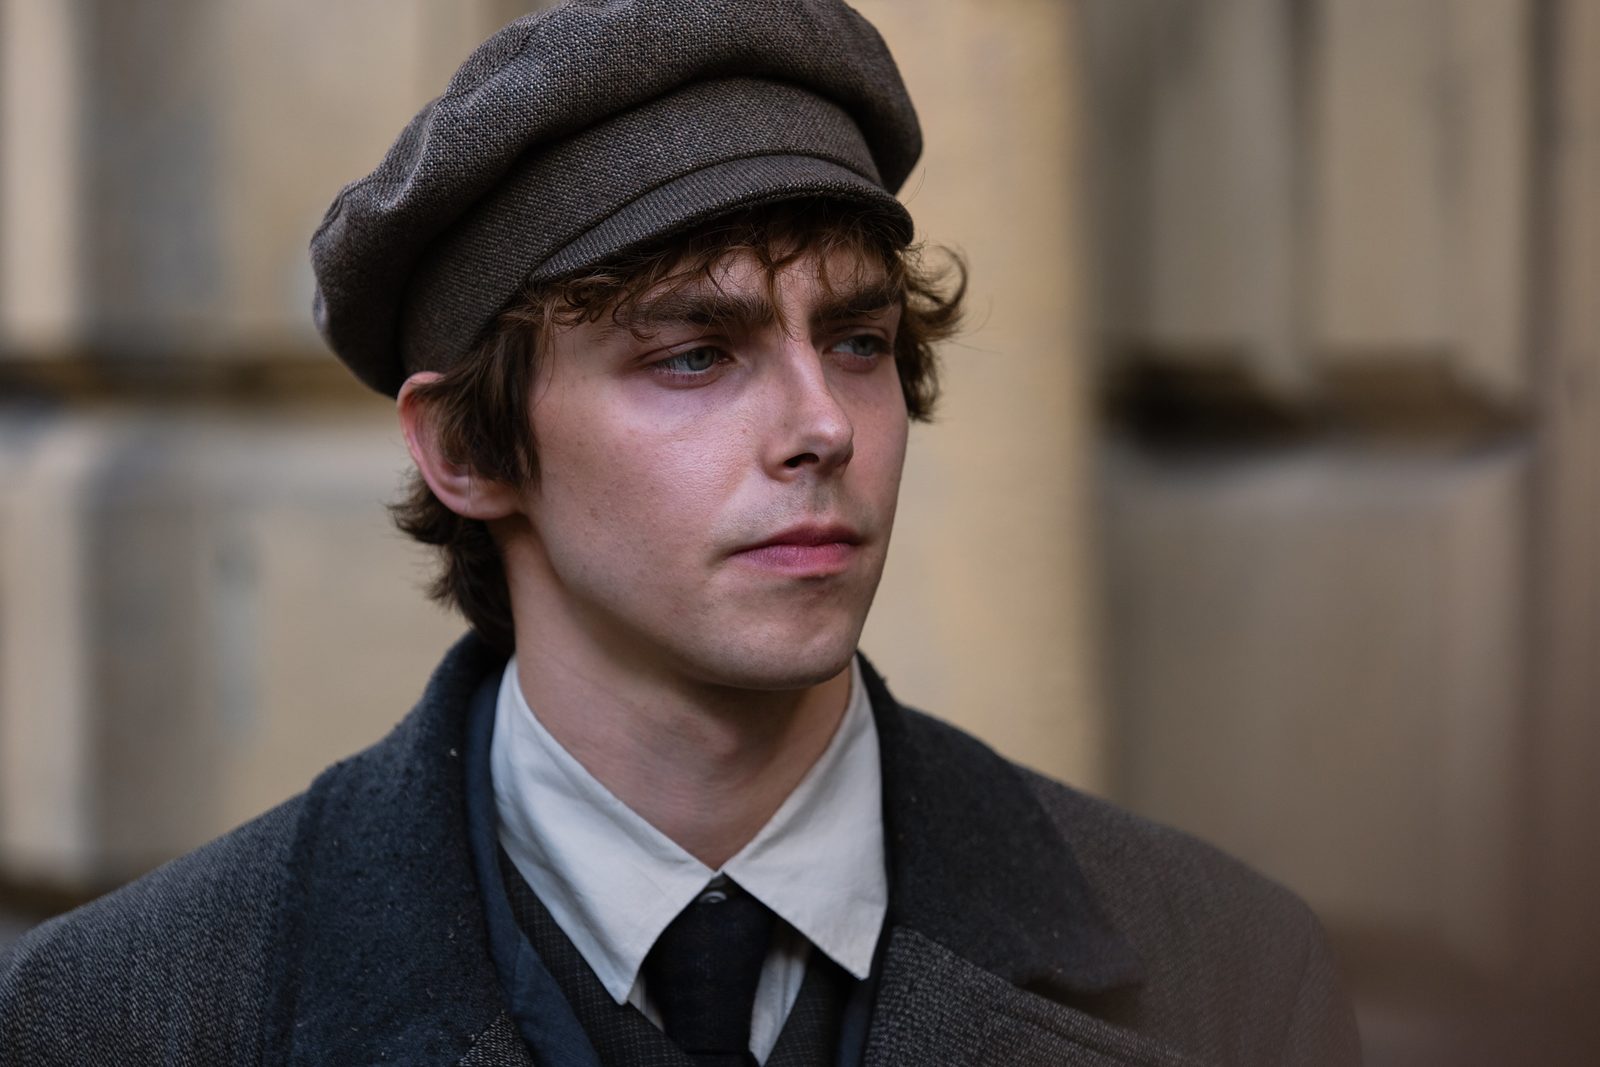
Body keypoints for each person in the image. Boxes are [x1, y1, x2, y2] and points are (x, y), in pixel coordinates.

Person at [0, 1, 1360, 1064]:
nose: (821, 426)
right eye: (695, 355)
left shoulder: (1223, 972)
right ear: (467, 447)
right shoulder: (123, 1018)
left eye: (859, 340)